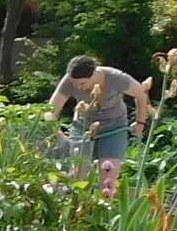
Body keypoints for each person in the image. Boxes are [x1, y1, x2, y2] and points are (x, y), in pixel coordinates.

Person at [47, 53, 151, 194]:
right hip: (83, 127)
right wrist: (59, 136)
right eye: (74, 84)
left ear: (94, 73)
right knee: (78, 177)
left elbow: (140, 94)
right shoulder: (69, 81)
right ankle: (75, 210)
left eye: (82, 83)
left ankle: (104, 208)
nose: (78, 87)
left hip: (114, 127)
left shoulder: (116, 78)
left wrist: (140, 122)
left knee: (107, 180)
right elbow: (49, 111)